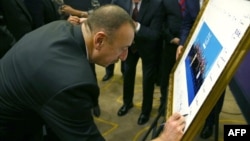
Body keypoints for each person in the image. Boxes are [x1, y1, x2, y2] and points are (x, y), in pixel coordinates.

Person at [176, 0, 225, 139]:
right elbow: (187, 24)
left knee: (216, 90)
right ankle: (195, 118)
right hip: (198, 49)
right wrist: (182, 43)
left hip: (218, 48)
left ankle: (210, 122)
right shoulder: (191, 1)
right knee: (198, 85)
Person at [113, 0, 165, 125]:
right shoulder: (120, 2)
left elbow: (155, 34)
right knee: (128, 74)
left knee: (148, 80)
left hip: (148, 48)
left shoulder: (156, 4)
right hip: (128, 46)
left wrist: (136, 26)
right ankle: (127, 103)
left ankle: (145, 111)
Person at [158, 0, 183, 116]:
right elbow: (160, 21)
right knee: (166, 76)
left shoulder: (193, 2)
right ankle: (164, 103)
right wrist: (171, 38)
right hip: (170, 45)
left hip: (190, 45)